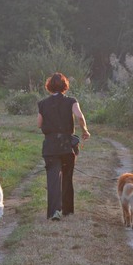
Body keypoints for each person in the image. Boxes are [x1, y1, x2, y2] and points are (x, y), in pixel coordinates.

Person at [37, 72, 90, 220]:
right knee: (67, 177)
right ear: (65, 86)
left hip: (50, 147)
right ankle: (67, 210)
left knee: (53, 179)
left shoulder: (42, 104)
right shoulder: (71, 101)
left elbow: (39, 124)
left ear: (49, 87)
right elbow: (79, 116)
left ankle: (54, 211)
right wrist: (84, 130)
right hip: (66, 146)